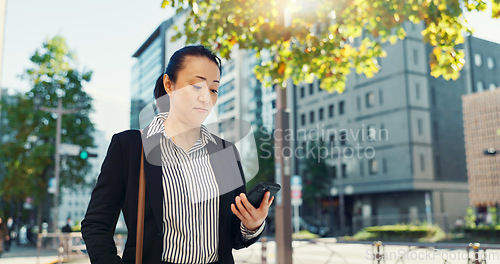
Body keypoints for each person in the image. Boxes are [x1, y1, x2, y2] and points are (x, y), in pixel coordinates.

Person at [81, 45, 274, 264]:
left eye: (213, 89)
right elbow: (96, 224)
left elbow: (232, 237)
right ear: (168, 84)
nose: (205, 98)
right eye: (196, 86)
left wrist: (252, 224)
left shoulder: (225, 152)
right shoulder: (130, 147)